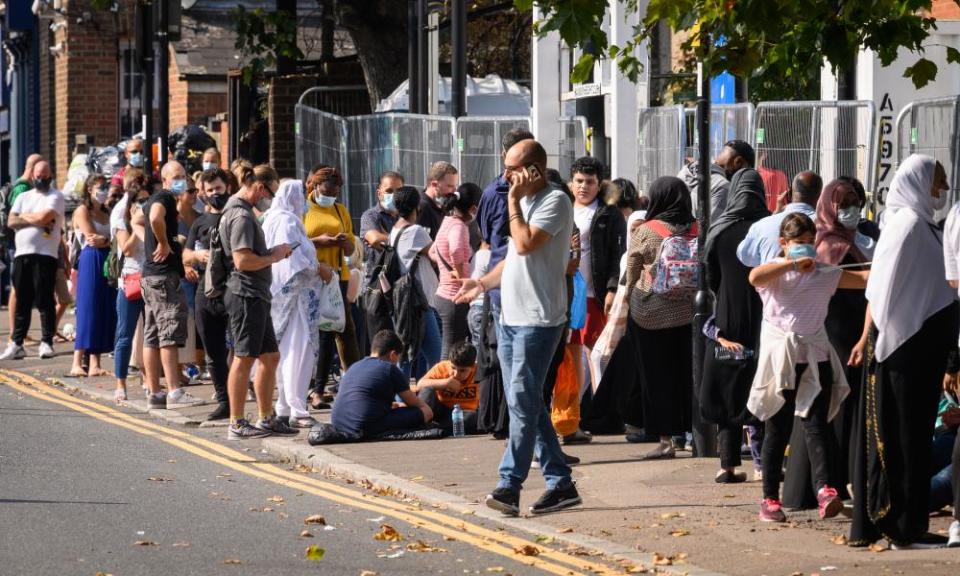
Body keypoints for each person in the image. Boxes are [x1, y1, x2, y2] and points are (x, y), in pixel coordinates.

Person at [455, 139, 580, 516]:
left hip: (539, 321)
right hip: (511, 317)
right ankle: (561, 484)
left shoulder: (555, 201)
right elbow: (512, 261)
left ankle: (509, 485)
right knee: (524, 403)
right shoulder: (523, 203)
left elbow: (525, 244)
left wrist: (512, 201)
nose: (506, 175)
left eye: (512, 168)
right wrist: (481, 283)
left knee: (524, 404)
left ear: (535, 169)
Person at [848, 154, 959, 548]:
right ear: (918, 183)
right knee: (902, 440)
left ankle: (910, 523)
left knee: (914, 442)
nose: (942, 191)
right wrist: (872, 338)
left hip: (921, 354)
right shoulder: (907, 226)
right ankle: (895, 523)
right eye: (936, 183)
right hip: (903, 353)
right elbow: (881, 289)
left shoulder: (922, 225)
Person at [747, 212, 865, 523]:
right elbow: (754, 277)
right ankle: (770, 498)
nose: (806, 250)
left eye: (810, 244)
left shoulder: (825, 273)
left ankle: (825, 490)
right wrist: (791, 263)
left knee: (817, 425)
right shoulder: (775, 274)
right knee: (778, 428)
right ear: (783, 244)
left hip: (816, 357)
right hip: (782, 359)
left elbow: (863, 279)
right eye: (799, 244)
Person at [783, 179, 874, 508]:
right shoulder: (831, 246)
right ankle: (831, 485)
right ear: (829, 205)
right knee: (831, 410)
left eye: (855, 201)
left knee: (818, 412)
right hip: (838, 338)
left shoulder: (835, 241)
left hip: (833, 338)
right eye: (844, 202)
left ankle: (812, 489)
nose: (851, 208)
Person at [699, 169, 770, 483]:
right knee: (760, 383)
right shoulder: (767, 227)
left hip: (728, 310)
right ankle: (761, 464)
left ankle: (727, 464)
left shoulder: (720, 229)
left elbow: (711, 274)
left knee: (728, 384)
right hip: (763, 311)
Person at [622, 176, 697, 460]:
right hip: (690, 313)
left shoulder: (645, 231)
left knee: (657, 378)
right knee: (686, 375)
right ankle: (689, 434)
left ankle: (665, 440)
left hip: (650, 314)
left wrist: (629, 298)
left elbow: (632, 271)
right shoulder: (696, 227)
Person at [219, 163, 296, 439]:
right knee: (244, 358)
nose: (271, 199)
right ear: (260, 187)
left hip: (257, 294)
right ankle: (236, 422)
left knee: (270, 356)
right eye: (271, 192)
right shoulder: (240, 216)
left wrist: (271, 253)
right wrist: (274, 256)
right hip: (245, 294)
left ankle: (266, 417)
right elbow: (242, 260)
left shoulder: (243, 211)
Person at [263, 180, 334, 428]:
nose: (304, 202)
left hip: (289, 299)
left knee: (287, 353)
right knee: (299, 352)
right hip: (296, 301)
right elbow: (292, 261)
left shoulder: (276, 218)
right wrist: (320, 269)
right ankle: (296, 408)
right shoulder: (287, 221)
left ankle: (286, 405)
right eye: (302, 196)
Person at [566, 158, 626, 444]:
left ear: (599, 184)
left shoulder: (607, 214)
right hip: (567, 294)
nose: (583, 187)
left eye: (589, 182)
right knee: (572, 357)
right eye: (579, 181)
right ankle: (572, 416)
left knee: (597, 355)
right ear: (571, 182)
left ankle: (601, 413)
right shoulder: (562, 209)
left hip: (595, 294)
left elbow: (619, 255)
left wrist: (613, 288)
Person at [140, 160, 202, 409]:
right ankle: (174, 390)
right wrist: (164, 243)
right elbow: (155, 218)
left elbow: (144, 218)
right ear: (165, 181)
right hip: (163, 277)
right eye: (175, 176)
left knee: (152, 336)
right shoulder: (164, 198)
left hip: (151, 277)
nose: (181, 180)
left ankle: (155, 393)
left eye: (183, 175)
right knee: (167, 334)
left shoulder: (158, 198)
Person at [303, 165, 361, 406]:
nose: (330, 196)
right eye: (326, 190)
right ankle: (311, 388)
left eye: (335, 192)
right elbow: (295, 241)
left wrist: (343, 242)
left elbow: (350, 246)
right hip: (311, 278)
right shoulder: (304, 208)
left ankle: (351, 383)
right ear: (315, 187)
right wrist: (318, 241)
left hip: (337, 277)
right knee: (314, 335)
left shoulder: (340, 210)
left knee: (340, 330)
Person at [183, 168, 233, 420]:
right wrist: (196, 256)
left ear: (228, 188)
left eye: (219, 189)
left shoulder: (236, 216)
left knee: (237, 349)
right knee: (213, 351)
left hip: (234, 291)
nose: (215, 194)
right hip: (207, 291)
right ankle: (223, 401)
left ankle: (237, 398)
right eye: (210, 190)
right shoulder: (200, 223)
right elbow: (186, 254)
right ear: (203, 193)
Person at [0, 160, 64, 360]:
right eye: (38, 175)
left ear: (50, 175)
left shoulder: (56, 196)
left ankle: (46, 342)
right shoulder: (23, 196)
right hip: (22, 254)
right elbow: (10, 221)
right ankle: (17, 343)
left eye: (45, 175)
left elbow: (45, 219)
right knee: (22, 301)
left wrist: (24, 218)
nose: (41, 179)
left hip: (46, 254)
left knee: (45, 300)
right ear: (32, 174)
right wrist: (34, 219)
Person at [331, 329, 434, 438]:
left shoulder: (354, 366)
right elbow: (417, 404)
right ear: (393, 355)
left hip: (338, 423)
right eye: (398, 359)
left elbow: (363, 398)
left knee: (397, 407)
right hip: (363, 427)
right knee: (426, 412)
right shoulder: (389, 369)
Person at [389, 186, 442, 377]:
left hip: (404, 299)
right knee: (435, 356)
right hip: (419, 301)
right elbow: (436, 256)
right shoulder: (416, 231)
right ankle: (430, 399)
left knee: (407, 352)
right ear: (417, 206)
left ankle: (402, 399)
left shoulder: (394, 230)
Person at [68, 174, 116, 377]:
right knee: (88, 308)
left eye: (106, 185)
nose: (104, 189)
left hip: (107, 260)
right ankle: (76, 362)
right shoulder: (82, 210)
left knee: (102, 308)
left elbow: (112, 237)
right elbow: (91, 238)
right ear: (89, 189)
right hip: (90, 260)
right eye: (100, 186)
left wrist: (107, 240)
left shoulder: (108, 211)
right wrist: (109, 240)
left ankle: (95, 363)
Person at [111, 169, 150, 402]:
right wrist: (136, 227)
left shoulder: (152, 218)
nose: (145, 204)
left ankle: (148, 380)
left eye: (148, 200)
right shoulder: (122, 217)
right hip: (131, 280)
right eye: (141, 201)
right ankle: (120, 384)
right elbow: (126, 249)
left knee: (150, 334)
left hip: (152, 279)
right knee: (125, 334)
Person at [430, 182, 481, 359]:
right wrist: (460, 274)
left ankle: (441, 386)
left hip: (443, 295)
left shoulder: (447, 221)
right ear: (473, 208)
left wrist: (446, 268)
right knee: (450, 354)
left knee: (448, 351)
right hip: (454, 298)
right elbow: (456, 250)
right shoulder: (459, 226)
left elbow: (432, 252)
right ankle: (437, 387)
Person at [737, 171, 822, 267]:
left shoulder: (761, 225)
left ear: (788, 194)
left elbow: (746, 257)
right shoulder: (828, 226)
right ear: (820, 198)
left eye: (810, 241)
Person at [5, 153, 44, 340]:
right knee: (17, 287)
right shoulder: (22, 188)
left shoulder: (27, 187)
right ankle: (14, 331)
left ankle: (19, 331)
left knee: (21, 287)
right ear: (33, 168)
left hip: (25, 244)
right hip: (17, 244)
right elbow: (17, 216)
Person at [359, 171, 403, 338]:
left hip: (400, 289)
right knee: (381, 343)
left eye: (398, 191)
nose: (394, 195)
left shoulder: (404, 217)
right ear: (379, 192)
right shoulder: (371, 216)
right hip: (376, 289)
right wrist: (401, 238)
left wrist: (390, 239)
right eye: (389, 191)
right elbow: (375, 239)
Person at [413, 340, 480, 434]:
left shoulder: (479, 372)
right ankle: (421, 424)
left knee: (474, 417)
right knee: (427, 390)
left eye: (462, 371)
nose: (456, 374)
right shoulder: (442, 367)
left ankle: (436, 428)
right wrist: (444, 383)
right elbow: (420, 385)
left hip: (462, 414)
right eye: (453, 368)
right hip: (439, 410)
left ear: (472, 367)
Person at [677, 139, 754, 218]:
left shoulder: (688, 169)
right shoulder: (723, 186)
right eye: (746, 169)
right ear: (738, 162)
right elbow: (712, 227)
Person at [419, 161, 459, 240]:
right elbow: (423, 244)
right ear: (434, 184)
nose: (454, 190)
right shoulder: (423, 207)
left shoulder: (442, 205)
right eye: (450, 186)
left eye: (455, 186)